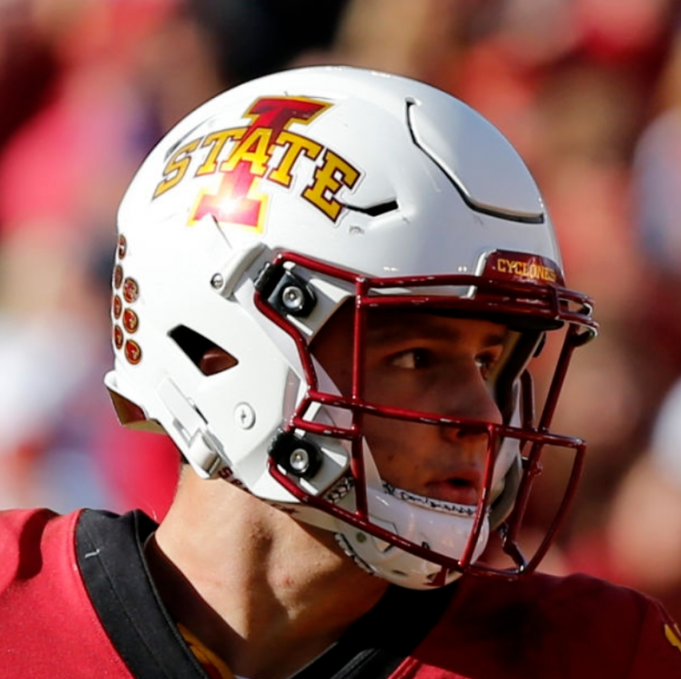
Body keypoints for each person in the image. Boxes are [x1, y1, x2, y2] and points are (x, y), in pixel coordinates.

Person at [1, 65, 679, 679]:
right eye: (415, 357)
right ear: (215, 349)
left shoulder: (590, 652)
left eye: (487, 360)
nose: (484, 415)